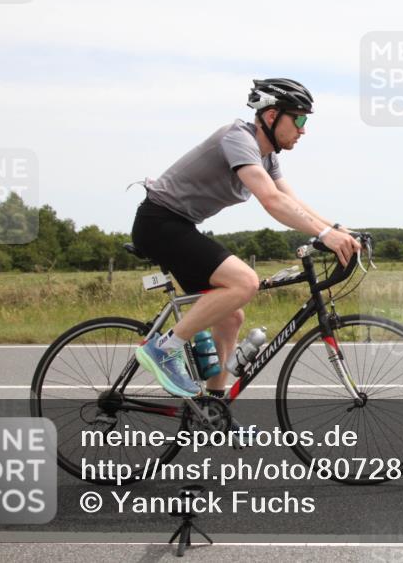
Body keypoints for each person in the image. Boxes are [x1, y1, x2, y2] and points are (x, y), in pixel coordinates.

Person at [130, 78, 361, 399]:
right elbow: (271, 200)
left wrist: (338, 229)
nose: (303, 129)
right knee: (244, 282)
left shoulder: (267, 157)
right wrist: (324, 234)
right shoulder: (237, 138)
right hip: (160, 222)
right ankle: (164, 350)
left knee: (230, 316)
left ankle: (214, 406)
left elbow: (292, 200)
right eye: (299, 118)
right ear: (271, 116)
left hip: (180, 225)